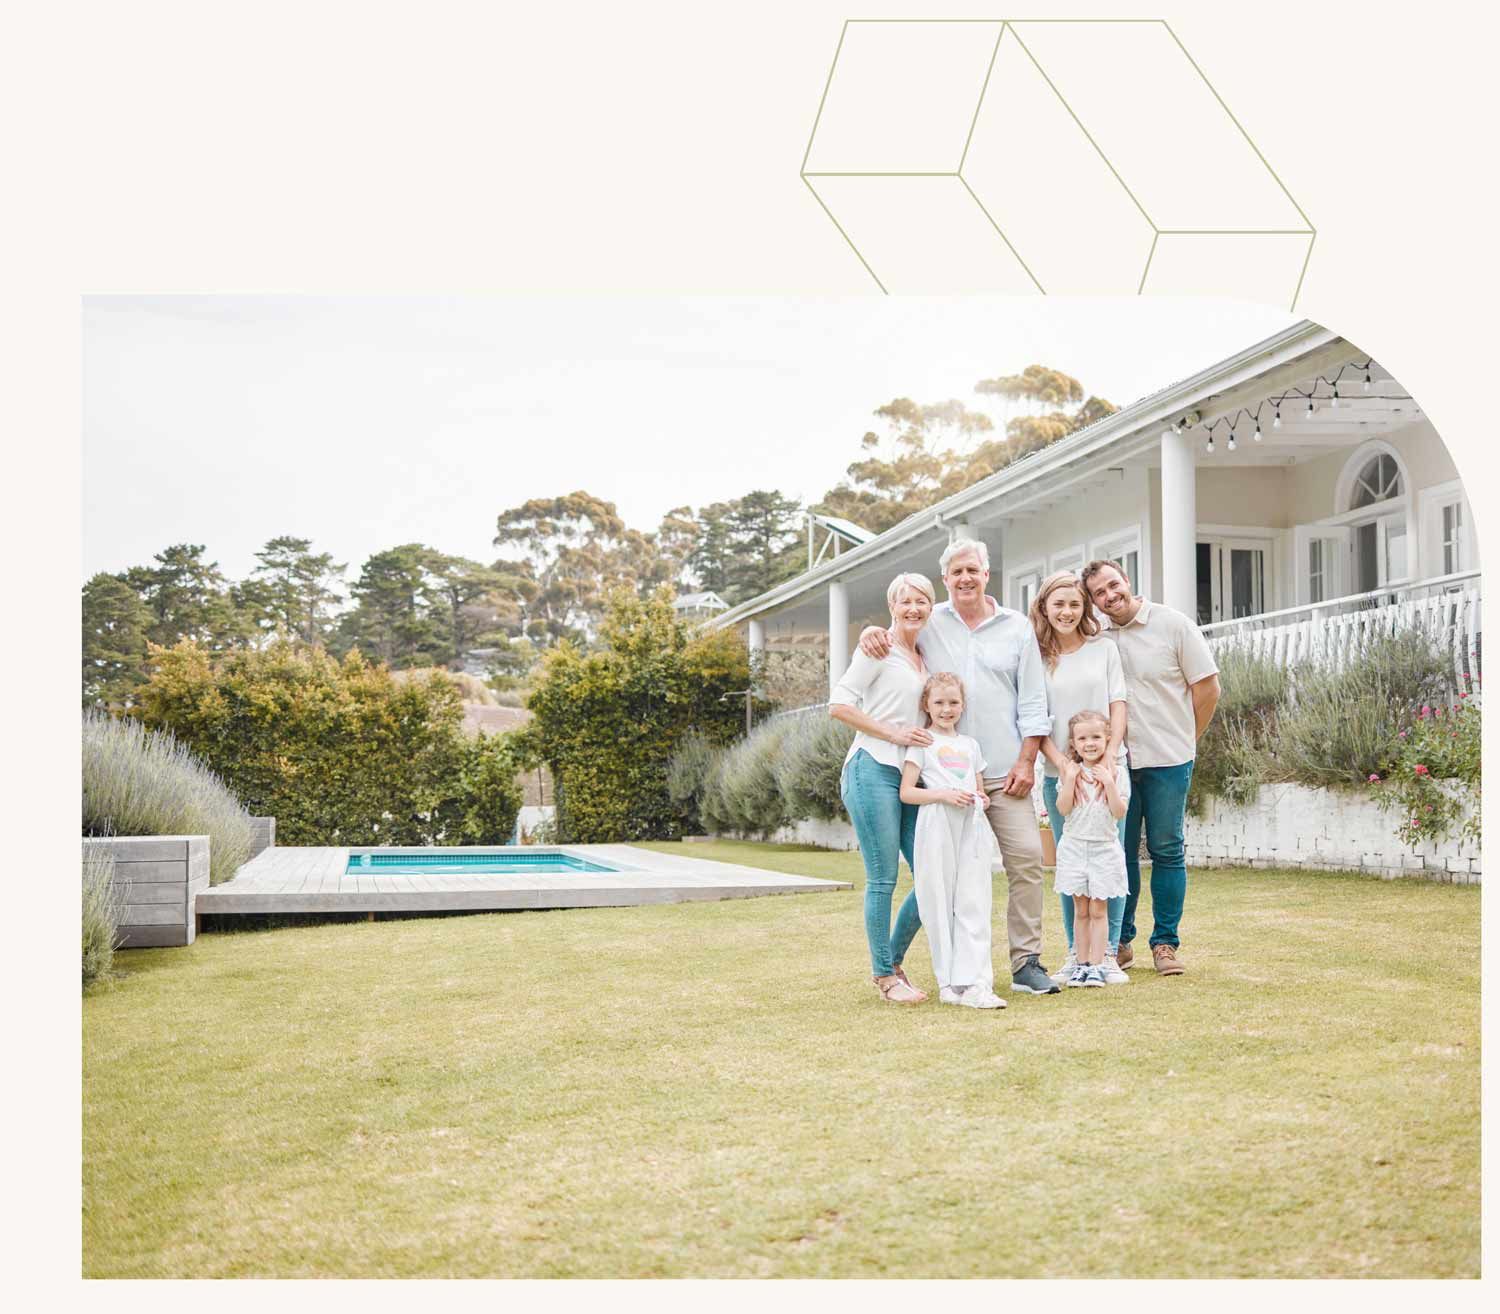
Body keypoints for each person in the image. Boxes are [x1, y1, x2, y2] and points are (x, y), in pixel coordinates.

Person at [858, 538, 1059, 996]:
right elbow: (900, 631)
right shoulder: (932, 624)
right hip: (942, 777)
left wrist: (1028, 760)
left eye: (973, 570)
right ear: (945, 579)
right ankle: (891, 966)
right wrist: (873, 630)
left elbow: (1033, 701)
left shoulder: (1016, 628)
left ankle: (1026, 963)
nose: (965, 579)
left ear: (987, 574)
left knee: (1027, 860)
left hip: (1004, 771)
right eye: (956, 573)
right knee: (933, 875)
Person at [1081, 559, 1221, 975]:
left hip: (1168, 759)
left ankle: (1164, 944)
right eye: (1099, 594)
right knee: (1119, 852)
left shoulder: (1173, 624)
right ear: (1094, 602)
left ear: (1126, 579)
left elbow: (1208, 688)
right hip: (1118, 763)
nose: (1109, 596)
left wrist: (1186, 738)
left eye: (1112, 585)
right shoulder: (1099, 639)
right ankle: (1120, 941)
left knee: (1166, 849)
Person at [829, 573, 937, 1004]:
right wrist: (893, 735)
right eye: (905, 601)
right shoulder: (878, 648)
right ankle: (885, 977)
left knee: (931, 874)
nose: (913, 608)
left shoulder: (924, 655)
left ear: (931, 607)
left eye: (922, 601)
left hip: (911, 776)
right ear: (892, 606)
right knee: (883, 878)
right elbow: (839, 705)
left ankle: (892, 961)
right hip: (871, 768)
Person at [1028, 571, 1131, 985]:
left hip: (1108, 770)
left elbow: (1118, 705)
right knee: (1072, 868)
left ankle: (1105, 955)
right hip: (1062, 774)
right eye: (1059, 605)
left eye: (1074, 604)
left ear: (1083, 608)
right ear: (1045, 609)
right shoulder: (1035, 659)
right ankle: (1076, 954)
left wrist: (1107, 758)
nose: (1067, 612)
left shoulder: (1103, 650)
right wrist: (1065, 766)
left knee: (1108, 864)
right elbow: (1035, 720)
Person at [899, 672, 1006, 1009]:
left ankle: (976, 981)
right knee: (939, 900)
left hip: (970, 827)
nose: (947, 709)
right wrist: (943, 794)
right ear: (926, 705)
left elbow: (979, 787)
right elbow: (907, 792)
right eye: (940, 702)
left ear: (963, 704)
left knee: (974, 899)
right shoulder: (922, 743)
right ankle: (948, 981)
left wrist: (981, 799)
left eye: (954, 702)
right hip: (937, 824)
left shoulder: (970, 745)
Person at [1053, 710, 1130, 988]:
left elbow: (1119, 812)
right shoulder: (1070, 772)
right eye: (1082, 738)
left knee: (1099, 910)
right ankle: (1081, 964)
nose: (1089, 743)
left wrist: (1108, 783)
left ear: (1107, 739)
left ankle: (1098, 965)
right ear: (1073, 743)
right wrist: (1071, 779)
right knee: (1080, 910)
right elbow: (1063, 808)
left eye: (1096, 737)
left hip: (1103, 850)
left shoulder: (1116, 773)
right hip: (1074, 848)